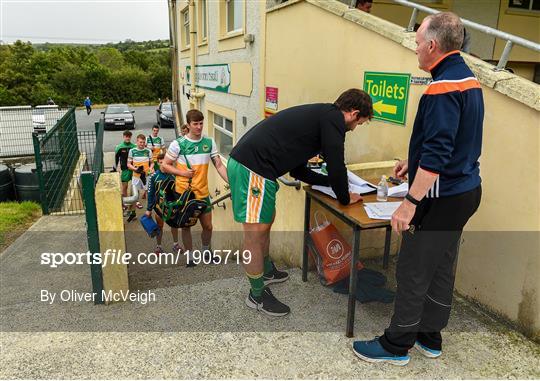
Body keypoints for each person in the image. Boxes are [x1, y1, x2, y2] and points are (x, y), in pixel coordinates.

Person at [352, 12, 483, 366]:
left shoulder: (440, 89)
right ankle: (430, 335)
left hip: (440, 197)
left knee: (413, 267)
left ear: (432, 45)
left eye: (416, 43)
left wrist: (410, 201)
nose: (414, 50)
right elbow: (455, 140)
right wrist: (414, 160)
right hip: (466, 190)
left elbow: (439, 153)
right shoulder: (468, 80)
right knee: (442, 264)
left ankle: (396, 344)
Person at [227, 88, 373, 317]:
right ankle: (256, 295)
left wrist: (326, 184)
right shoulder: (333, 120)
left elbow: (298, 170)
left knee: (266, 222)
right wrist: (344, 198)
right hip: (252, 167)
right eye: (359, 123)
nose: (355, 129)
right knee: (254, 233)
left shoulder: (321, 118)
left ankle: (265, 271)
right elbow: (337, 164)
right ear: (354, 114)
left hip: (259, 168)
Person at [161, 109, 229, 267]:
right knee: (186, 227)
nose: (199, 127)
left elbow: (218, 165)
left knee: (208, 226)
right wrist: (182, 173)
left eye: (201, 123)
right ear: (188, 125)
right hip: (183, 194)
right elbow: (164, 166)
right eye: (195, 124)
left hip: (203, 193)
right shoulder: (178, 144)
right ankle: (190, 257)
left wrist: (231, 182)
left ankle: (206, 251)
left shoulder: (209, 142)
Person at [145, 153, 183, 255]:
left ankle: (175, 244)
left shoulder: (173, 175)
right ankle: (159, 246)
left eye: (165, 162)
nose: (163, 165)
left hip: (172, 205)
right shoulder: (154, 176)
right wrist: (149, 209)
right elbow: (150, 193)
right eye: (161, 162)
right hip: (159, 206)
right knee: (159, 226)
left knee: (174, 225)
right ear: (158, 162)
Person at [127, 134, 154, 221]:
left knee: (150, 194)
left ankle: (149, 212)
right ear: (137, 142)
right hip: (136, 176)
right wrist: (135, 169)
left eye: (143, 142)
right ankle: (133, 213)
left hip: (146, 176)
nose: (142, 144)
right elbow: (128, 164)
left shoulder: (148, 151)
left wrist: (150, 168)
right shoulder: (132, 151)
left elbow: (152, 162)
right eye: (140, 142)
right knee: (134, 195)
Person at [114, 130, 136, 216]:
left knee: (134, 187)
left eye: (129, 136)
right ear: (123, 137)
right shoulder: (119, 147)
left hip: (133, 169)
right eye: (126, 136)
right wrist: (115, 168)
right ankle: (125, 203)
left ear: (131, 137)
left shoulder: (134, 146)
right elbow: (116, 159)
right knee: (125, 187)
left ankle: (133, 204)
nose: (127, 138)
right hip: (125, 170)